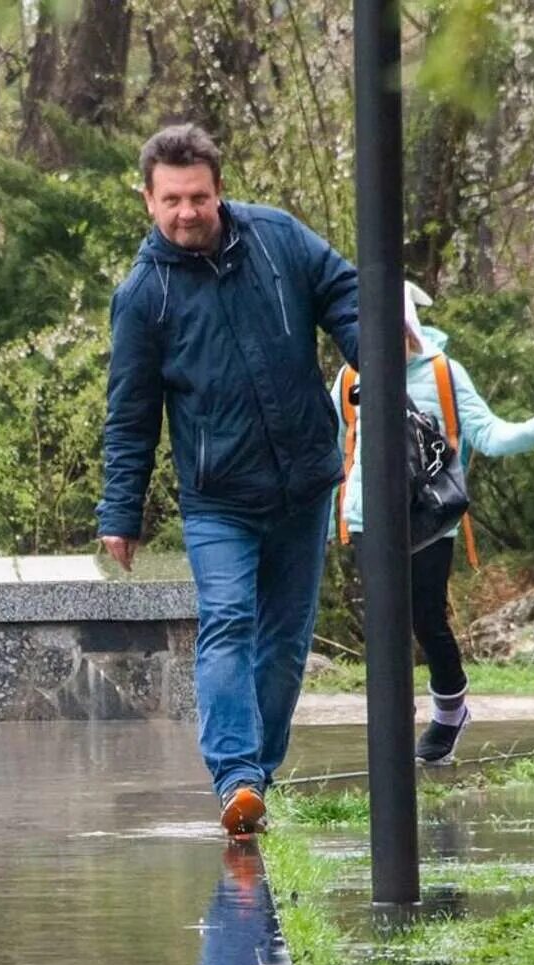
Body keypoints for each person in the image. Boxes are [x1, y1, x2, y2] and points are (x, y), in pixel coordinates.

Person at [98, 124, 359, 837]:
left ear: (220, 189)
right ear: (149, 199)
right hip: (219, 498)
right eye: (172, 200)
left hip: (305, 479)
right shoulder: (143, 295)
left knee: (285, 640)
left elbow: (344, 290)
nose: (188, 212)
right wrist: (120, 511)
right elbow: (130, 414)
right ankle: (236, 775)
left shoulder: (278, 240)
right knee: (229, 623)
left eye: (200, 198)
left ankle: (255, 783)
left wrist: (374, 355)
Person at [334, 281, 534, 765]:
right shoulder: (348, 378)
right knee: (384, 623)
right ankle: (392, 722)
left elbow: (488, 432)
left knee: (424, 619)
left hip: (431, 519)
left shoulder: (442, 374)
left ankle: (450, 709)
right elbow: (334, 446)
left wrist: (532, 430)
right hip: (366, 518)